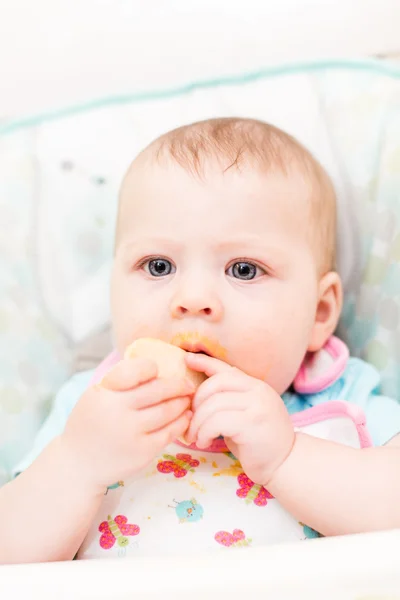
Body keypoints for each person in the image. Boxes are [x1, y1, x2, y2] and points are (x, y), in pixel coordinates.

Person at [1, 117, 400, 564]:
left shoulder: (346, 399)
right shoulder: (92, 409)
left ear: (320, 313)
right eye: (158, 266)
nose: (192, 300)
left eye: (244, 269)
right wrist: (77, 464)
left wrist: (286, 455)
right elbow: (10, 557)